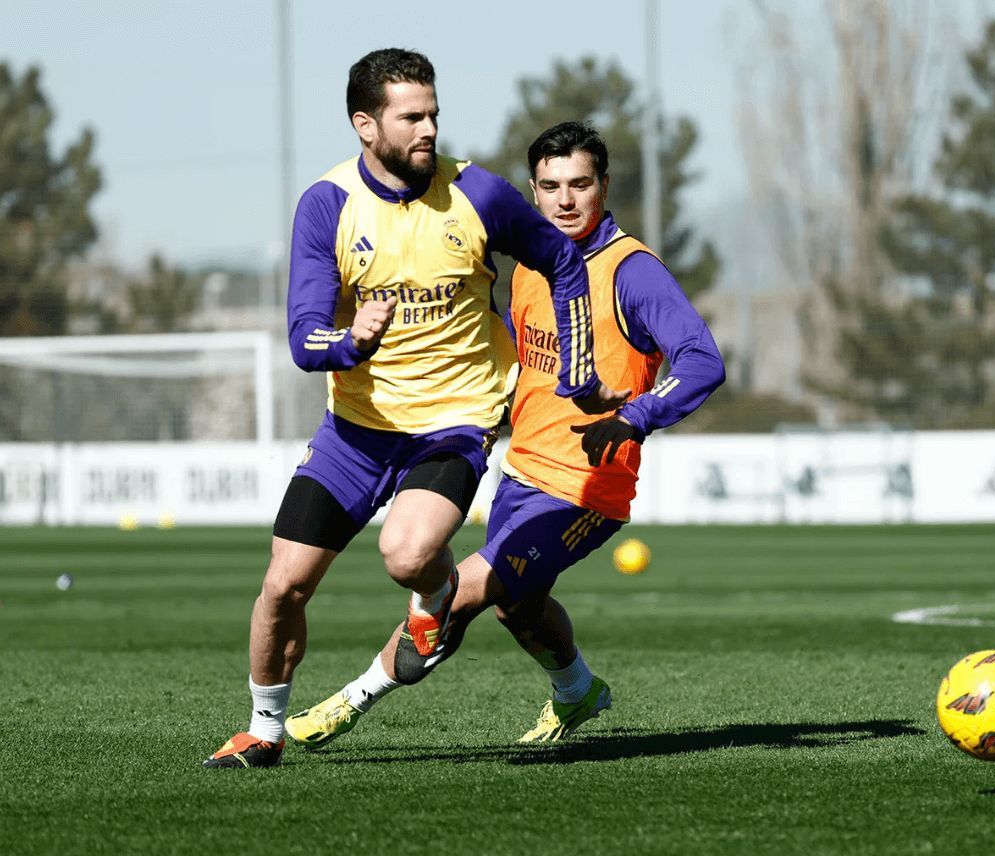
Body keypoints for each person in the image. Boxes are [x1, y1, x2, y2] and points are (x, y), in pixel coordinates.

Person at [203, 52, 625, 770]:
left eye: (433, 112)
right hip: (354, 433)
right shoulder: (327, 205)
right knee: (282, 587)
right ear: (366, 125)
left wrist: (580, 368)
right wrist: (348, 340)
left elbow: (560, 261)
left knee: (405, 555)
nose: (429, 127)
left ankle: (433, 601)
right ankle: (263, 729)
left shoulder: (479, 196)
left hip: (451, 424)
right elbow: (305, 338)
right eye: (412, 116)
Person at [282, 121, 725, 750]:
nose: (565, 200)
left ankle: (348, 703)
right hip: (520, 469)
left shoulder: (632, 272)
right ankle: (579, 692)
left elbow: (704, 361)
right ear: (534, 192)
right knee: (517, 604)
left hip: (584, 488)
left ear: (604, 186)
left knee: (456, 595)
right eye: (550, 187)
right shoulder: (529, 266)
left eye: (580, 184)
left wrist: (633, 416)